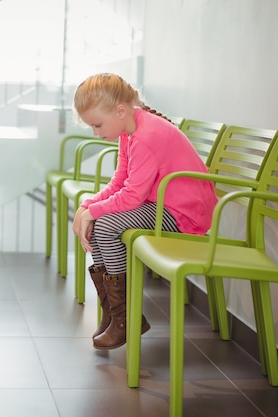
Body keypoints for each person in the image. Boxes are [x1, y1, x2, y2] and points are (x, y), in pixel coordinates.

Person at [71, 73, 218, 350]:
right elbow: (119, 182)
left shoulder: (145, 137)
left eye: (97, 124)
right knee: (100, 220)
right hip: (160, 204)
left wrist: (92, 213)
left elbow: (132, 195)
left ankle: (125, 319)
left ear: (120, 110)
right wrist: (87, 206)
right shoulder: (130, 130)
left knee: (104, 224)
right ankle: (116, 315)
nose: (96, 132)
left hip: (181, 213)